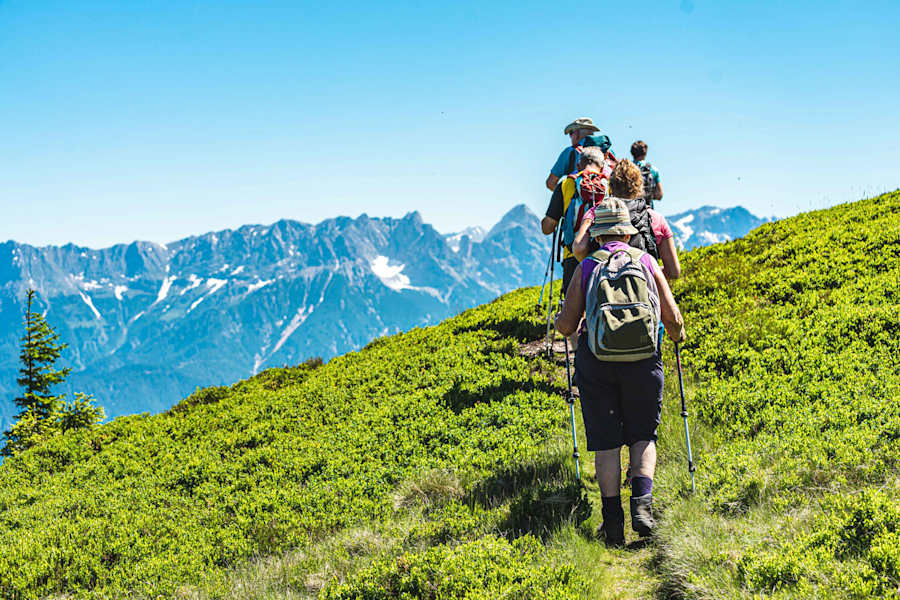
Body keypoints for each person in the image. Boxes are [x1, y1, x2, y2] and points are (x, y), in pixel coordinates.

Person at [555, 198, 685, 546]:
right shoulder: (646, 262)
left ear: (597, 236)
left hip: (597, 361)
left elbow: (566, 325)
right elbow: (672, 317)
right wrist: (678, 335)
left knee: (606, 443)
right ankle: (642, 509)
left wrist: (562, 321)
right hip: (644, 359)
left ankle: (613, 525)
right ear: (628, 233)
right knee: (643, 435)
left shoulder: (588, 266)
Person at [572, 161, 681, 279]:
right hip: (643, 286)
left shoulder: (596, 213)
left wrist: (592, 268)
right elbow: (673, 272)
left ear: (610, 186)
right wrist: (648, 270)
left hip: (602, 285)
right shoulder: (655, 218)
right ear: (639, 186)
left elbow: (579, 248)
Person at [545, 117, 600, 191]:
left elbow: (550, 183)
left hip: (579, 197)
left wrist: (566, 193)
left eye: (571, 133)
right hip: (606, 197)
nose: (570, 137)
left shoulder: (570, 152)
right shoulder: (607, 151)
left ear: (576, 133)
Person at [630, 140, 663, 208]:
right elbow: (659, 195)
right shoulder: (653, 170)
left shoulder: (627, 168)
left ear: (632, 153)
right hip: (647, 208)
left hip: (631, 208)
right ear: (645, 153)